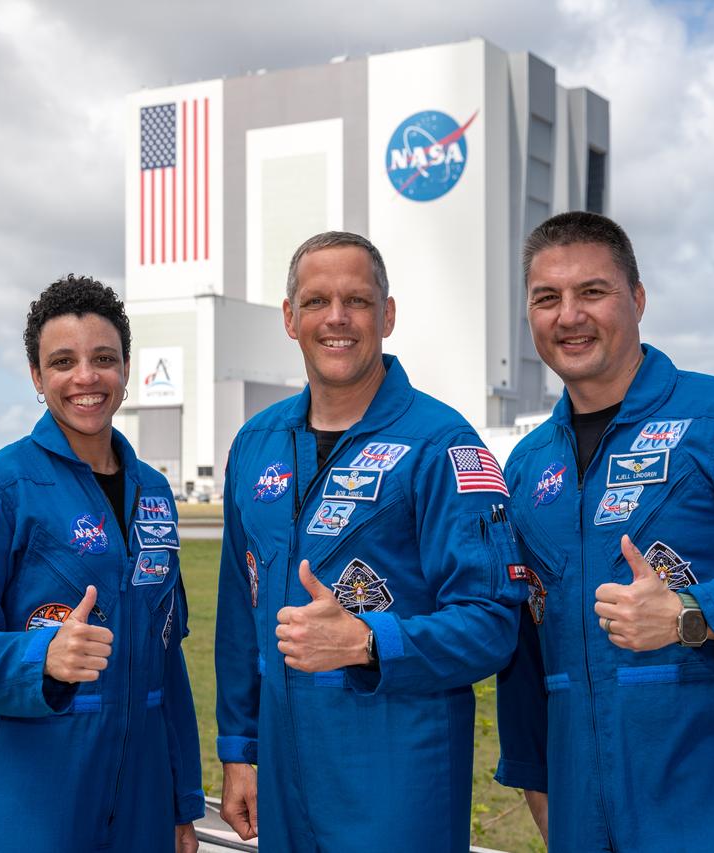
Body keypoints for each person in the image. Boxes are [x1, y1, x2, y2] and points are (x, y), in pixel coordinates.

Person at [495, 212, 714, 851]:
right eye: (547, 298)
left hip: (710, 815)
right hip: (579, 817)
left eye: (593, 292)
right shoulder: (525, 468)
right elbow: (526, 654)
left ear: (636, 299)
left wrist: (693, 613)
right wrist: (539, 790)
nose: (568, 315)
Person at [215, 231, 526, 852]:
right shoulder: (255, 445)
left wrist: (367, 641)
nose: (336, 318)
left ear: (386, 315)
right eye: (316, 301)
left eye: (356, 300)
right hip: (283, 779)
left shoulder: (444, 444)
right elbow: (237, 617)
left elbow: (492, 623)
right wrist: (239, 751)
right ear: (289, 318)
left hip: (397, 783)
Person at [0, 276, 203, 852]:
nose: (86, 377)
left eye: (103, 359)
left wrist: (182, 803)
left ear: (126, 370)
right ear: (36, 376)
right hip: (40, 789)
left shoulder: (154, 491)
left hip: (145, 796)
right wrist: (40, 656)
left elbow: (166, 655)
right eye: (63, 361)